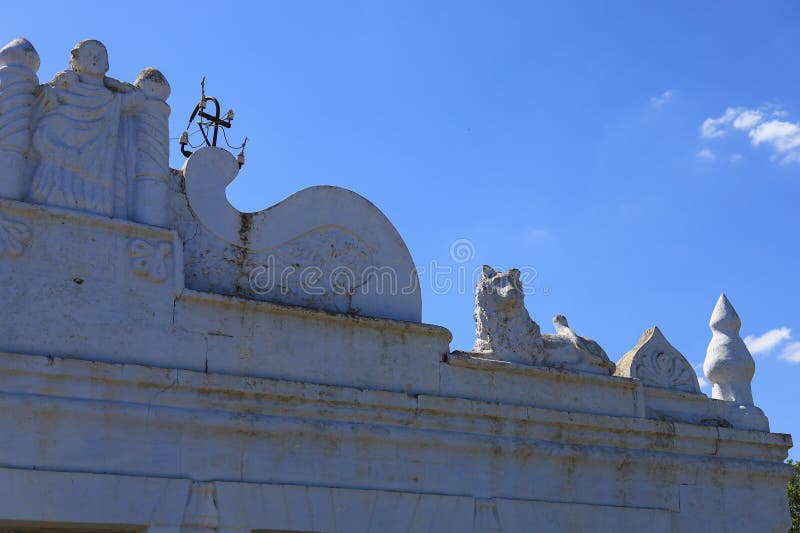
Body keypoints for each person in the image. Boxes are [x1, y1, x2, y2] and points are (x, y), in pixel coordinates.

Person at [28, 39, 143, 216]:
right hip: (57, 177)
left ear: (107, 65)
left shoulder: (112, 99)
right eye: (89, 54)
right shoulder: (59, 92)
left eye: (101, 55)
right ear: (76, 61)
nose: (95, 58)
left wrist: (110, 82)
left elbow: (138, 99)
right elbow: (43, 133)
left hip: (96, 184)